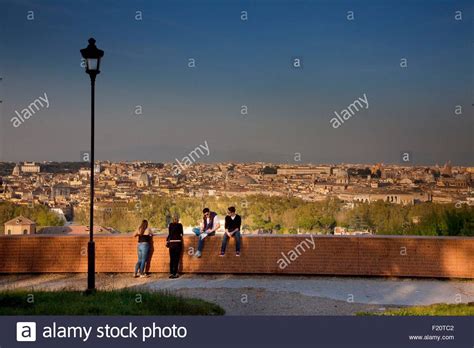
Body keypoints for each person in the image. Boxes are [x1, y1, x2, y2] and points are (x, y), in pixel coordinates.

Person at [167, 214, 183, 279]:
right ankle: (175, 273)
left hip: (171, 243)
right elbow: (181, 233)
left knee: (172, 259)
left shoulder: (170, 225)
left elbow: (170, 233)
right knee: (177, 259)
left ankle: (171, 273)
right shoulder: (180, 225)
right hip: (178, 243)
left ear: (173, 219)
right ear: (178, 220)